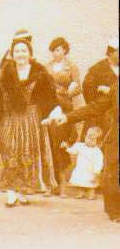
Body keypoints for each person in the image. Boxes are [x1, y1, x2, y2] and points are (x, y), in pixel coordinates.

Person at [0, 38, 61, 207]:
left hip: (31, 119)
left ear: (30, 54)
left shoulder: (40, 74)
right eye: (17, 51)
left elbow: (49, 97)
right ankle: (11, 192)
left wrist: (54, 110)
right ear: (12, 55)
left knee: (27, 154)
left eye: (24, 51)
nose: (21, 54)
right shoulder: (6, 75)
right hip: (10, 119)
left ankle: (23, 191)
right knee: (9, 151)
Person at [54, 83, 119, 222]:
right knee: (112, 173)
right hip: (117, 137)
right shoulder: (117, 86)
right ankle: (115, 212)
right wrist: (69, 117)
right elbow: (96, 107)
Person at [45, 36, 81, 195]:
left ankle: (63, 185)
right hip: (49, 108)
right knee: (48, 144)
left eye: (58, 49)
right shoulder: (46, 67)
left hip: (65, 108)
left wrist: (72, 89)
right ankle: (50, 184)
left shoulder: (71, 67)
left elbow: (78, 88)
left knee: (61, 145)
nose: (55, 53)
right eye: (53, 50)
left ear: (65, 50)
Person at [81, 38, 119, 138]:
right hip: (101, 115)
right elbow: (87, 87)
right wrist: (97, 102)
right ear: (110, 52)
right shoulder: (97, 68)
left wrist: (111, 91)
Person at [63, 126, 104, 200]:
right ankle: (80, 193)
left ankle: (91, 194)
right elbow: (73, 151)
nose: (89, 140)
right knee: (80, 182)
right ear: (85, 136)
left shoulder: (97, 151)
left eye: (92, 140)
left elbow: (99, 162)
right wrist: (67, 147)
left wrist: (97, 172)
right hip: (81, 169)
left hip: (91, 171)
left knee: (91, 184)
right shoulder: (80, 146)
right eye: (88, 137)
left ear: (98, 142)